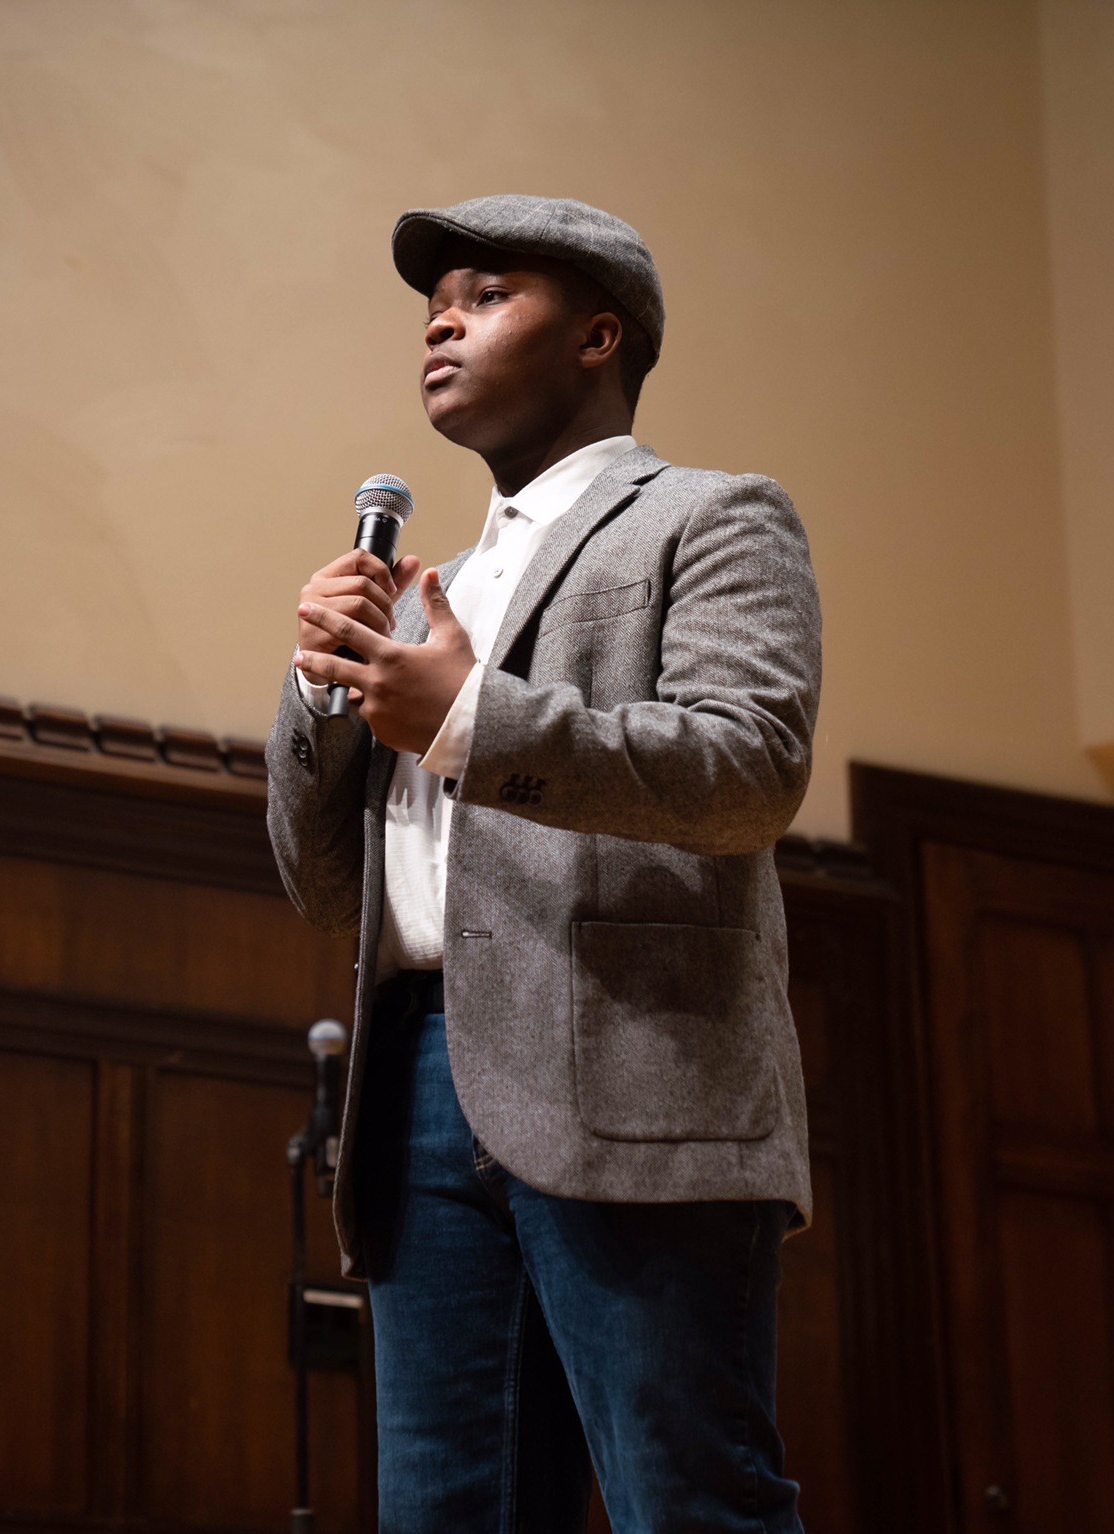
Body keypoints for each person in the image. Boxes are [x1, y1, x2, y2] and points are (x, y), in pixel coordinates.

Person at [266, 194, 821, 1533]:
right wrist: (314, 687)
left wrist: (466, 716)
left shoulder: (710, 516)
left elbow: (748, 768)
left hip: (632, 1074)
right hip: (416, 1085)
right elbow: (323, 881)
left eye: (483, 291)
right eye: (429, 304)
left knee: (686, 1502)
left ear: (597, 335)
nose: (440, 319)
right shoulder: (418, 592)